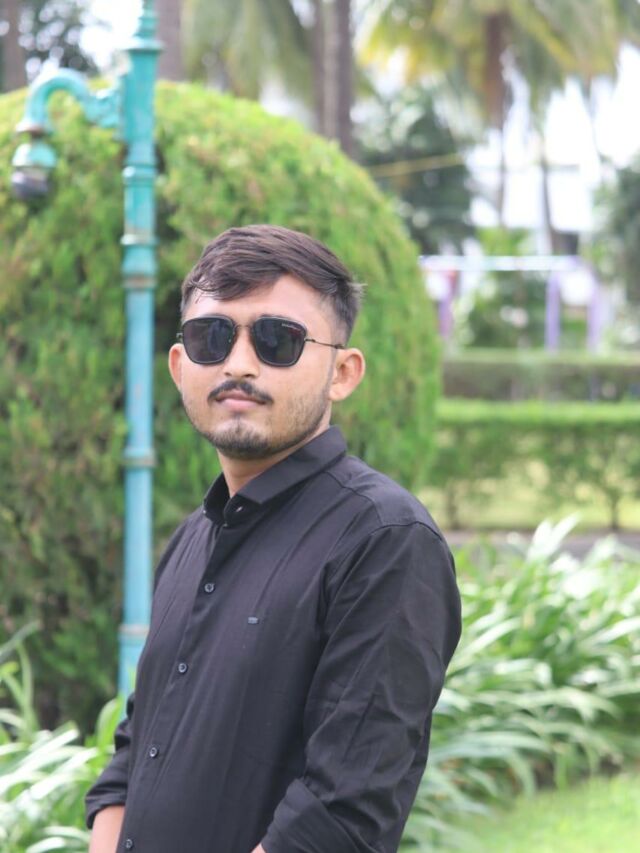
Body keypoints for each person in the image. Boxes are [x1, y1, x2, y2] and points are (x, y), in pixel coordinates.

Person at [86, 224, 461, 853]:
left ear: (342, 372)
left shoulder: (385, 542)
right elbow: (137, 748)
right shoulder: (193, 538)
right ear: (179, 366)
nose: (238, 364)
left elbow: (340, 816)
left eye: (277, 340)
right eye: (211, 338)